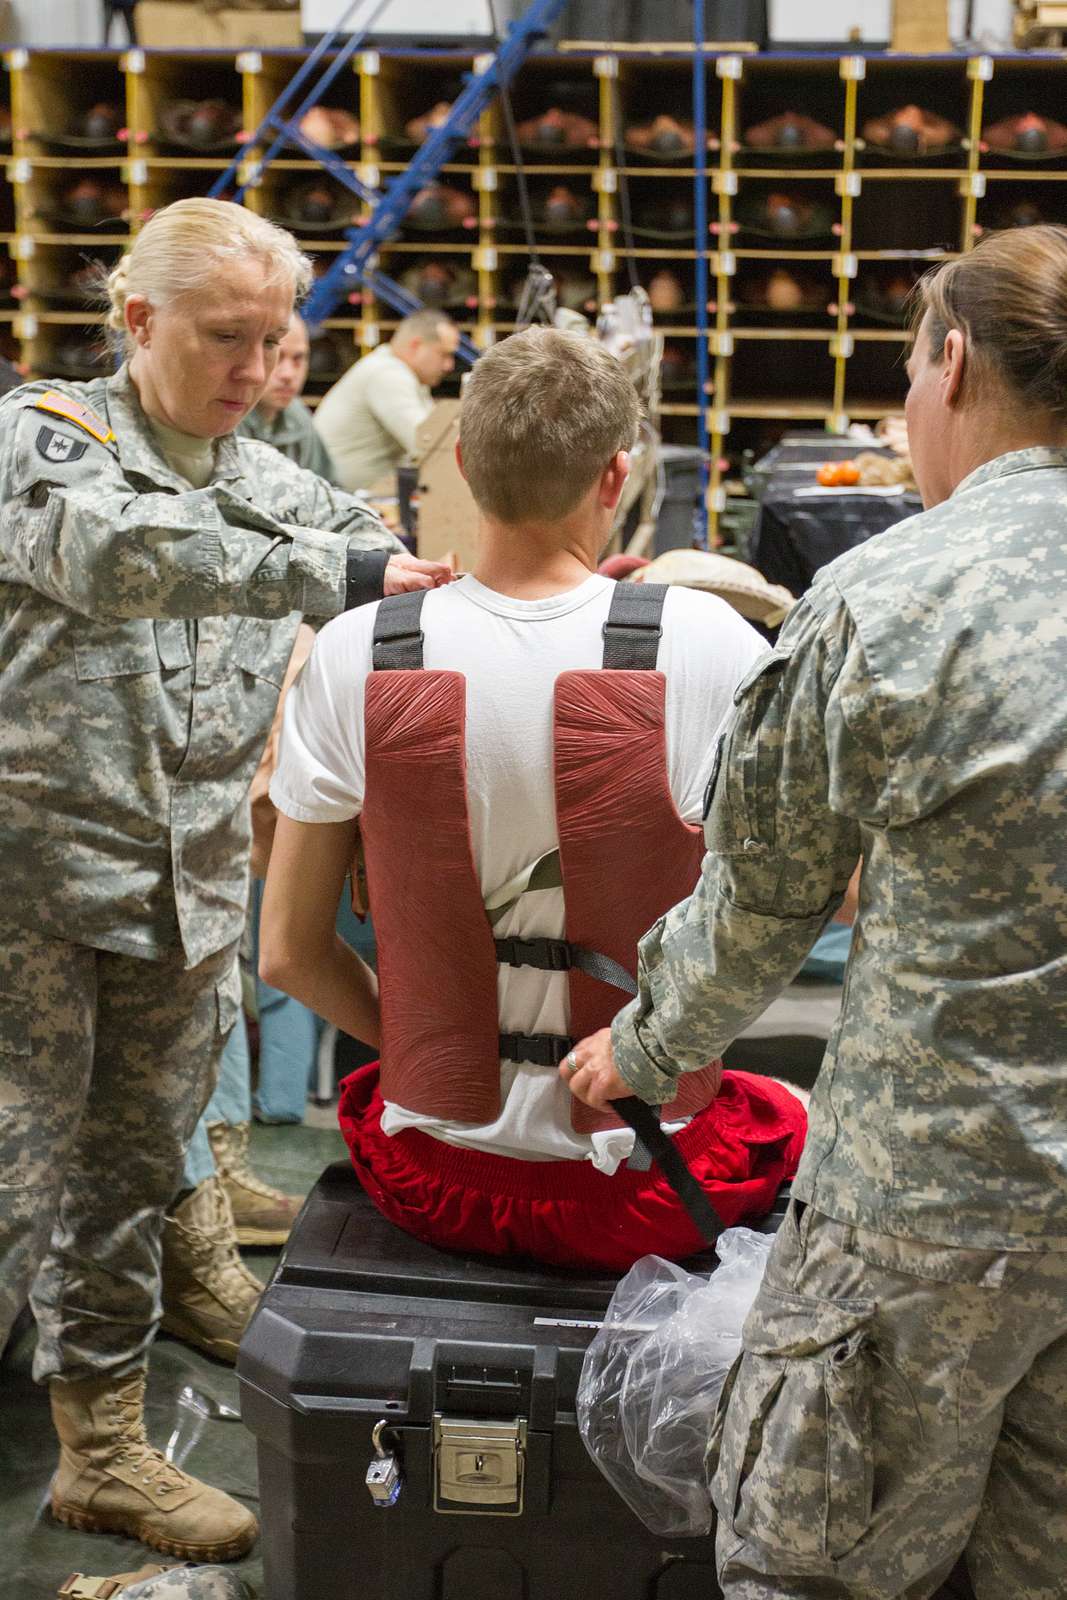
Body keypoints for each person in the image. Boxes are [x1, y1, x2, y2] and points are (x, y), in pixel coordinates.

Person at [563, 224, 1067, 1598]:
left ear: (949, 361)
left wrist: (649, 1046)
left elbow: (759, 902)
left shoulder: (886, 597)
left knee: (813, 1565)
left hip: (930, 1204)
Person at [0, 196, 450, 1563]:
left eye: (276, 341)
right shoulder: (44, 441)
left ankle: (102, 1455)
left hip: (176, 891)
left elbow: (379, 542)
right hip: (35, 894)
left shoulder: (258, 465)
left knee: (131, 1174)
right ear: (137, 323)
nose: (258, 373)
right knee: (18, 1184)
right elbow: (119, 556)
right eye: (227, 340)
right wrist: (345, 569)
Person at [260, 326, 807, 1272]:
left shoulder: (358, 649)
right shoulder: (710, 642)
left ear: (464, 463)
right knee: (789, 1111)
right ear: (617, 478)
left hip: (435, 1175)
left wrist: (439, 1036)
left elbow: (288, 954)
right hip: (645, 1187)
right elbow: (797, 911)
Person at [312, 309, 460, 493]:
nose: (449, 365)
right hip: (345, 498)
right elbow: (427, 445)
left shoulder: (402, 374)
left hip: (351, 496)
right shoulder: (387, 375)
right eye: (444, 355)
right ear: (416, 346)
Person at [238, 310, 338, 483]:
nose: (288, 374)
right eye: (278, 357)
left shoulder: (297, 414)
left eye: (298, 359)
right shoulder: (226, 420)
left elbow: (331, 491)